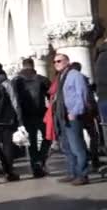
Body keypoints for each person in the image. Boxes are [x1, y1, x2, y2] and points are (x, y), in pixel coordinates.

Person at [52, 54, 90, 185]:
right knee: (67, 147)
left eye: (59, 61)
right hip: (61, 116)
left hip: (72, 116)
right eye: (54, 61)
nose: (56, 63)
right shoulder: (61, 76)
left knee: (77, 147)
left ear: (67, 61)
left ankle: (82, 175)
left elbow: (82, 95)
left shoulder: (75, 75)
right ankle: (72, 173)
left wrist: (75, 112)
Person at [11, 58, 51, 178]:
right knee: (48, 138)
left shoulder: (16, 81)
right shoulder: (41, 79)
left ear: (22, 66)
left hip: (25, 116)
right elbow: (51, 95)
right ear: (33, 66)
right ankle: (41, 159)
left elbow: (13, 99)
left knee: (32, 142)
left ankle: (36, 167)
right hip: (41, 114)